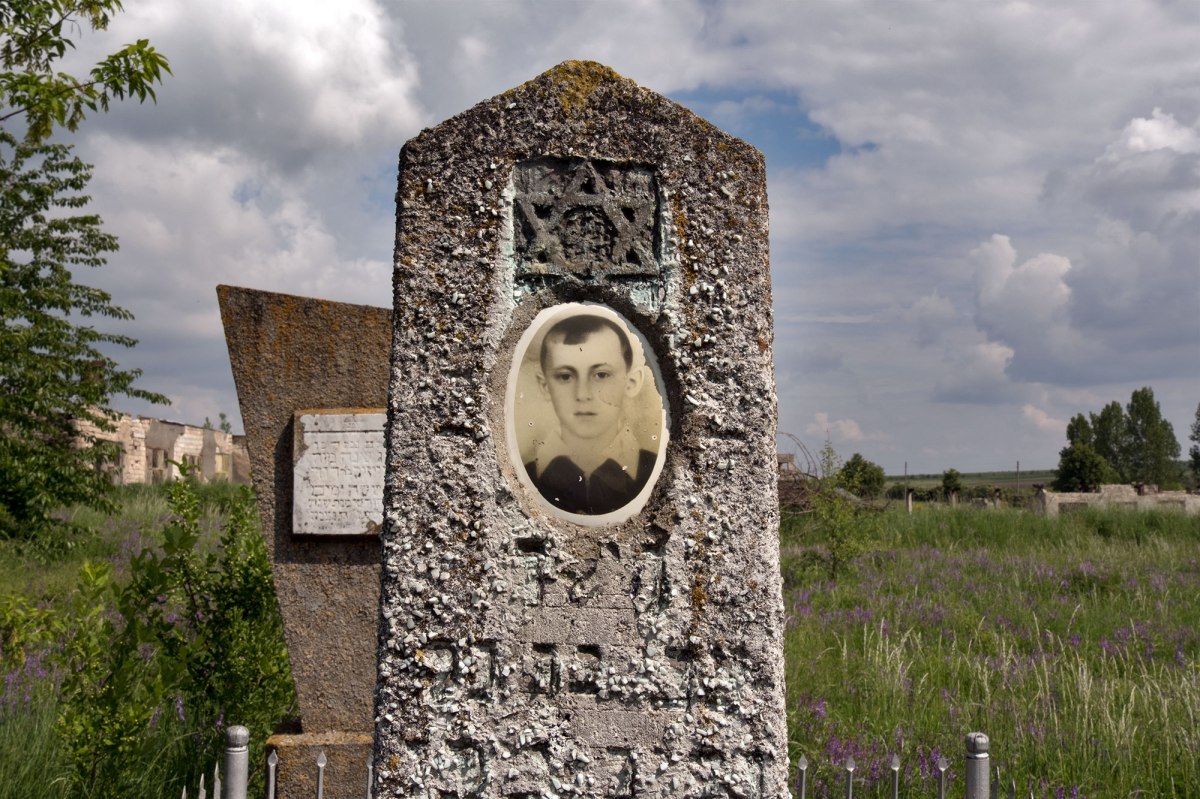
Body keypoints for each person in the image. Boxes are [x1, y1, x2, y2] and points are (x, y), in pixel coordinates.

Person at [524, 313, 656, 515]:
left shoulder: (653, 471)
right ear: (545, 386)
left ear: (631, 383)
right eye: (565, 376)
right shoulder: (525, 477)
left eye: (601, 375)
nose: (583, 394)